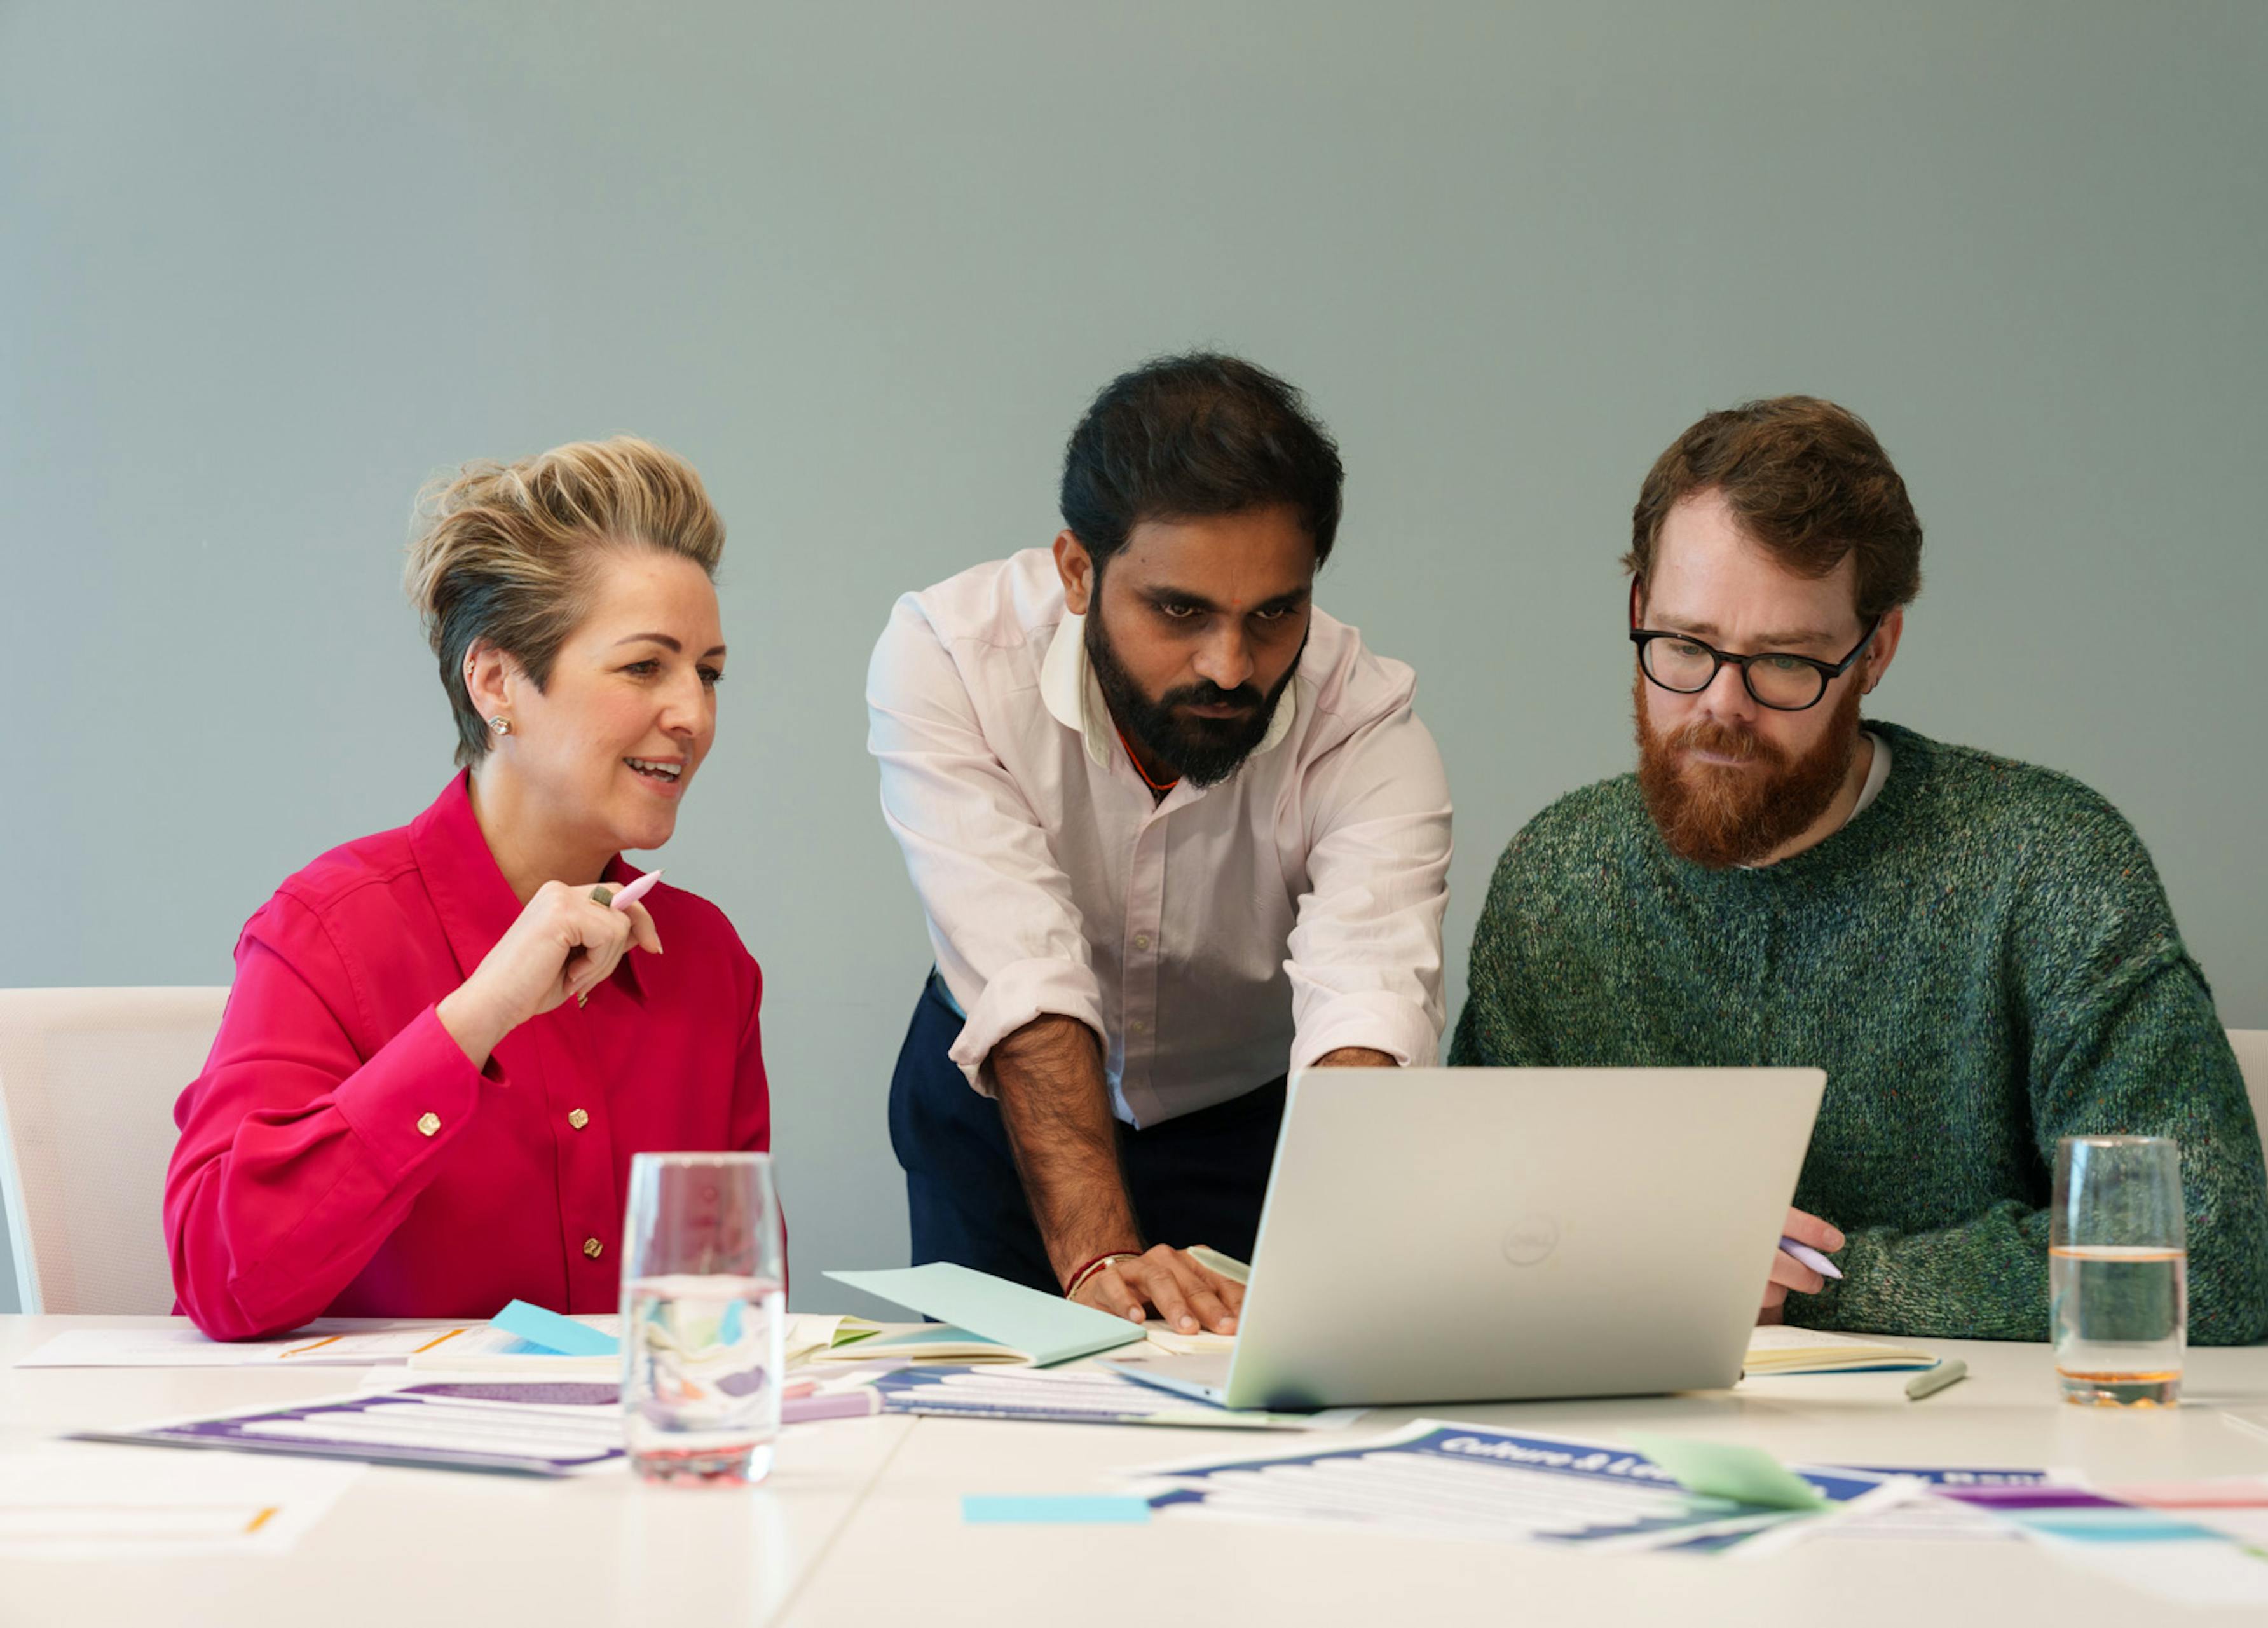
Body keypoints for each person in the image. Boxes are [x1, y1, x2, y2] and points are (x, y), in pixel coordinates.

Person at [1451, 397, 2268, 1343]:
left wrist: (1823, 1283)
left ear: (1876, 653)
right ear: (1636, 612)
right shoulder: (1558, 881)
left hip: (1987, 1424)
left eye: (1786, 661)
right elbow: (1466, 1234)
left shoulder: (2048, 864)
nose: (1721, 705)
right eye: (1686, 646)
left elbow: (2212, 1249)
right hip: (1631, 1416)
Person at [868, 353, 1452, 1334]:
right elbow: (1023, 973)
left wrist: (1334, 1291)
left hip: (1248, 1123)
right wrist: (1099, 1258)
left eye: (1274, 613)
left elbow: (1368, 1003)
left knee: (1265, 1397)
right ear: (1077, 571)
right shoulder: (951, 658)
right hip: (1005, 1110)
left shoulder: (1366, 724)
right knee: (989, 1408)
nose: (1230, 666)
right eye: (1181, 610)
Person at [165, 437, 771, 1340]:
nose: (694, 714)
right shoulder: (329, 931)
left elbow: (732, 1323)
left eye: (708, 672)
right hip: (374, 1435)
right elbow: (222, 1277)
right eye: (646, 666)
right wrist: (477, 1018)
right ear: (495, 682)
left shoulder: (706, 961)